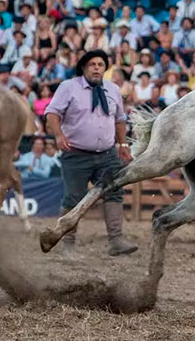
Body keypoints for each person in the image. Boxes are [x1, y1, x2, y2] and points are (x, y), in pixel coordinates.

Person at [44, 50, 137, 256]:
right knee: (74, 198)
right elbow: (52, 113)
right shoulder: (69, 87)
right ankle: (67, 243)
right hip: (75, 153)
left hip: (107, 153)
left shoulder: (112, 89)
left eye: (101, 65)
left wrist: (122, 146)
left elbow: (120, 119)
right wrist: (59, 136)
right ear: (84, 68)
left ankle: (116, 240)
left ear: (105, 69)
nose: (97, 68)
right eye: (92, 64)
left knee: (114, 191)